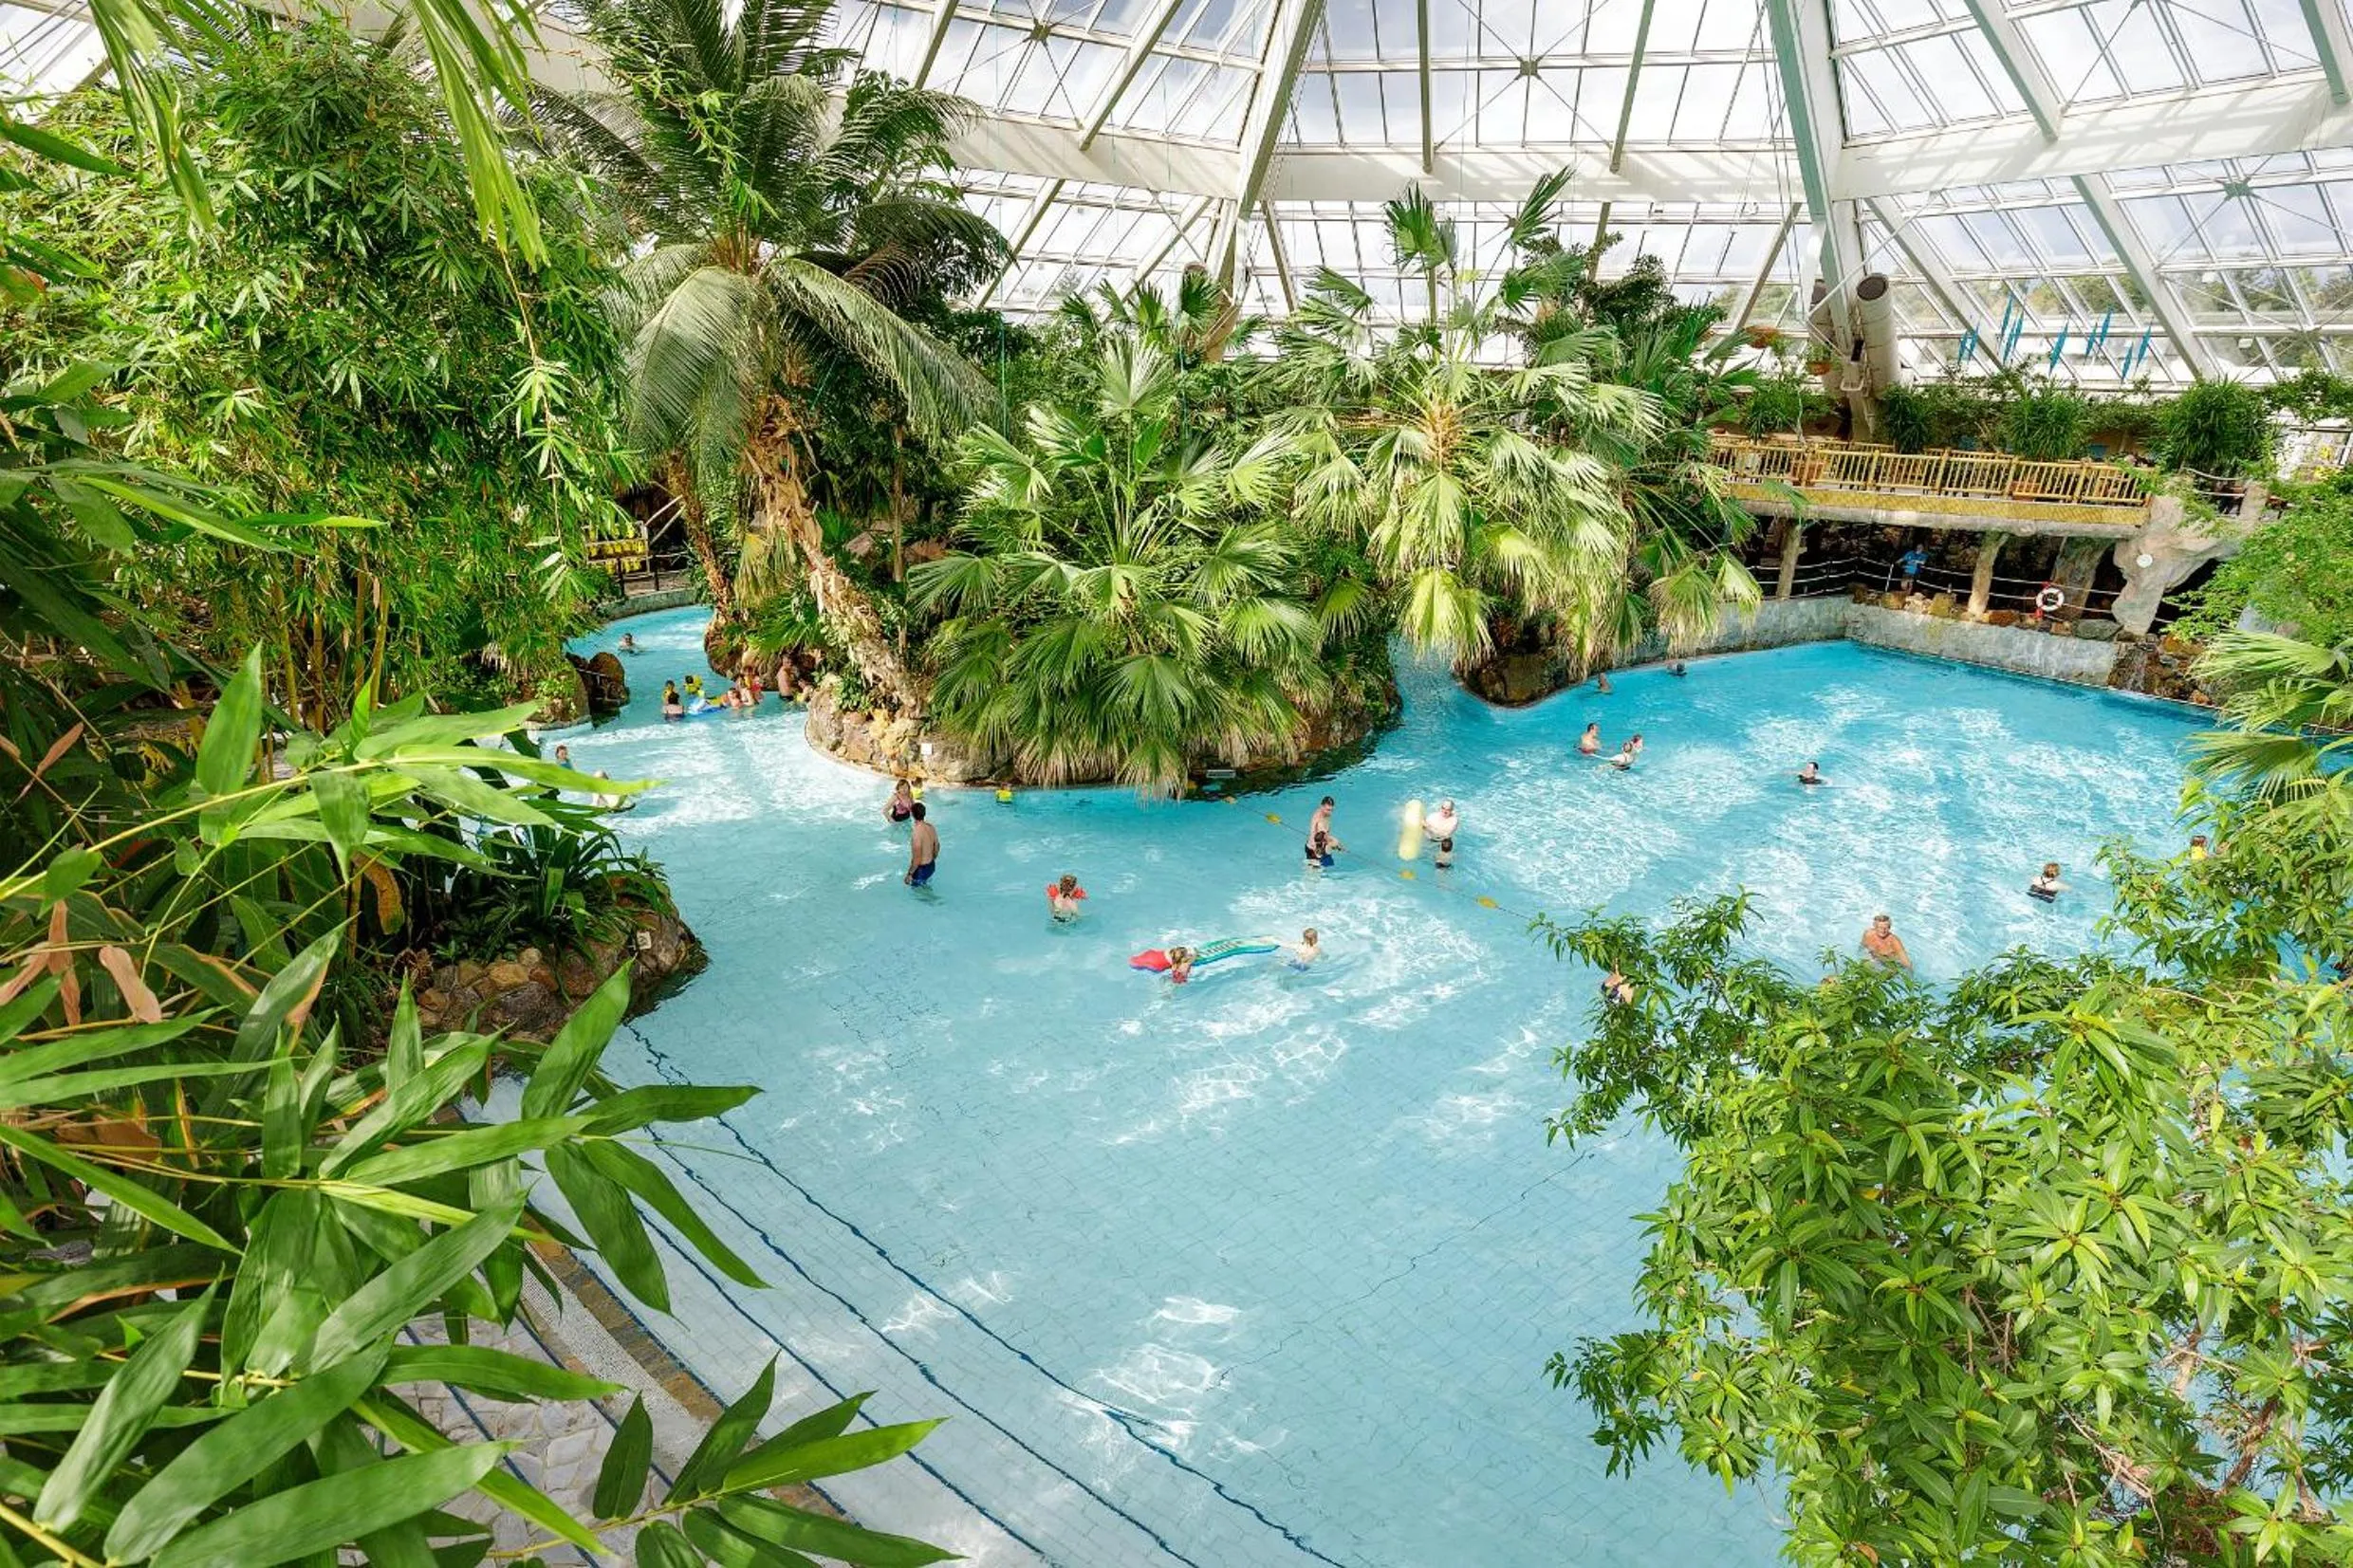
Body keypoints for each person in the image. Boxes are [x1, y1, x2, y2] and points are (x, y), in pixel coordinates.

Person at [904, 802, 938, 887]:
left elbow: (917, 859)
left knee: (919, 895)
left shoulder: (916, 833)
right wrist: (932, 858)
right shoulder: (931, 827)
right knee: (925, 887)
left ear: (912, 814)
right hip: (931, 866)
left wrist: (909, 874)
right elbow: (937, 846)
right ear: (924, 813)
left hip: (921, 871)